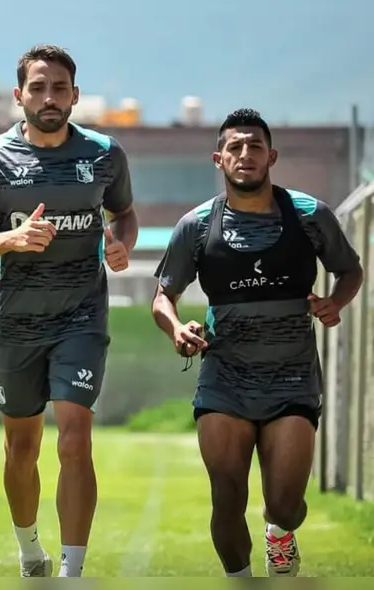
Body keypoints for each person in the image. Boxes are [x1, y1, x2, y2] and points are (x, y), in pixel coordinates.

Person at [0, 44, 138, 578]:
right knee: (21, 448)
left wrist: (121, 245)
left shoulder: (105, 153)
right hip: (16, 324)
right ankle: (31, 551)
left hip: (81, 318)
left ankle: (73, 573)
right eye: (38, 87)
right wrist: (10, 239)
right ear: (19, 95)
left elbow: (124, 214)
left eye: (59, 88)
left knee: (75, 439)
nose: (48, 97)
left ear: (75, 96)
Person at [151, 108, 364, 577]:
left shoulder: (309, 215)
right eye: (235, 147)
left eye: (255, 146)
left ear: (272, 156)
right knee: (227, 497)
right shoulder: (196, 225)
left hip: (292, 378)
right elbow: (163, 297)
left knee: (285, 506)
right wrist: (177, 329)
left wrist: (335, 302)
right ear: (218, 159)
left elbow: (350, 270)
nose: (245, 154)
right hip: (225, 378)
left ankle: (279, 534)